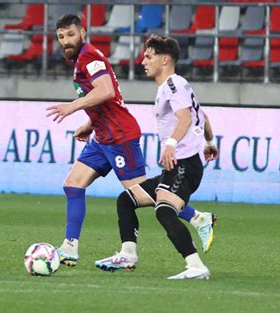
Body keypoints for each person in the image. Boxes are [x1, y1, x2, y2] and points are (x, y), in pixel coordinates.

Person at [47, 15, 216, 267]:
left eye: (70, 34)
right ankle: (70, 246)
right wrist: (90, 123)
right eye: (61, 37)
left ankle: (197, 219)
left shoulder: (89, 57)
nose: (66, 41)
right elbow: (107, 101)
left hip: (119, 137)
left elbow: (106, 91)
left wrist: (72, 107)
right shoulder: (81, 60)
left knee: (144, 196)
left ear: (82, 32)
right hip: (103, 136)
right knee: (73, 185)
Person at [94, 35, 219, 279]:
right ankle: (128, 253)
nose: (143, 61)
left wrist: (171, 144)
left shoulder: (172, 85)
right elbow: (201, 115)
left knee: (164, 211)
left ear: (164, 59)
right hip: (179, 164)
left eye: (149, 56)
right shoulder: (175, 85)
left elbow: (185, 117)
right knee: (125, 200)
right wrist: (210, 142)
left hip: (183, 164)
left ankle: (196, 266)